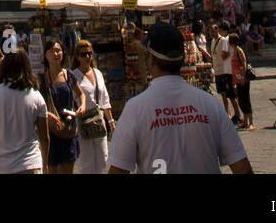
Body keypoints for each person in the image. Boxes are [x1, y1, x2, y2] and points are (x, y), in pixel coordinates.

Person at [107, 24, 252, 175]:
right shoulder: (210, 104)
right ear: (183, 59)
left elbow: (118, 169)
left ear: (150, 60)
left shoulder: (135, 108)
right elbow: (242, 168)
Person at [0, 50, 49, 175]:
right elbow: (44, 137)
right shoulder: (36, 96)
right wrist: (45, 164)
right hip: (30, 163)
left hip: (0, 165)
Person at [71, 40, 115, 174]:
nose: (88, 57)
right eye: (84, 54)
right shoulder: (73, 76)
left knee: (103, 159)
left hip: (98, 121)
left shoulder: (98, 73)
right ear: (77, 57)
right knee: (86, 162)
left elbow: (105, 99)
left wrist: (111, 121)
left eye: (90, 54)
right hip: (82, 122)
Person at [41, 37, 81, 175]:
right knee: (52, 169)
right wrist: (47, 115)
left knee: (68, 169)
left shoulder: (68, 74)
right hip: (50, 131)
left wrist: (81, 107)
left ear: (63, 53)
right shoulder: (42, 78)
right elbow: (36, 105)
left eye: (58, 50)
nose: (55, 54)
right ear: (45, 55)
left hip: (68, 129)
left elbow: (80, 94)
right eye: (52, 51)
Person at [212, 23, 241, 124]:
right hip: (230, 70)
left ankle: (237, 114)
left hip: (227, 70)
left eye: (219, 30)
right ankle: (237, 114)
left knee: (230, 95)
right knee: (231, 94)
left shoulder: (225, 41)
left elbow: (223, 55)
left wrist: (224, 55)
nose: (219, 32)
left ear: (224, 30)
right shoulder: (229, 41)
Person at [229, 32, 254, 130]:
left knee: (246, 99)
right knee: (241, 101)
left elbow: (244, 63)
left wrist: (243, 77)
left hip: (243, 79)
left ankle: (251, 122)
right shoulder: (234, 51)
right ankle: (245, 121)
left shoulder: (239, 50)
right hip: (238, 79)